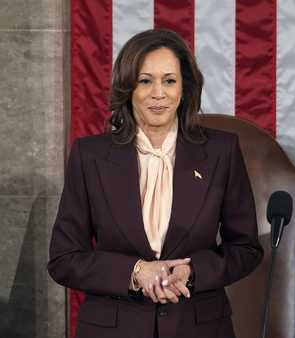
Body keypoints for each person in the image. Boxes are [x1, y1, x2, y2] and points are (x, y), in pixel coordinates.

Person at [48, 29, 263, 338]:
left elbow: (245, 249)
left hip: (199, 327)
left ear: (185, 88)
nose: (158, 93)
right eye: (145, 80)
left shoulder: (221, 151)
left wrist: (192, 273)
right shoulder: (90, 155)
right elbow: (64, 259)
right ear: (128, 87)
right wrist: (136, 272)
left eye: (169, 80)